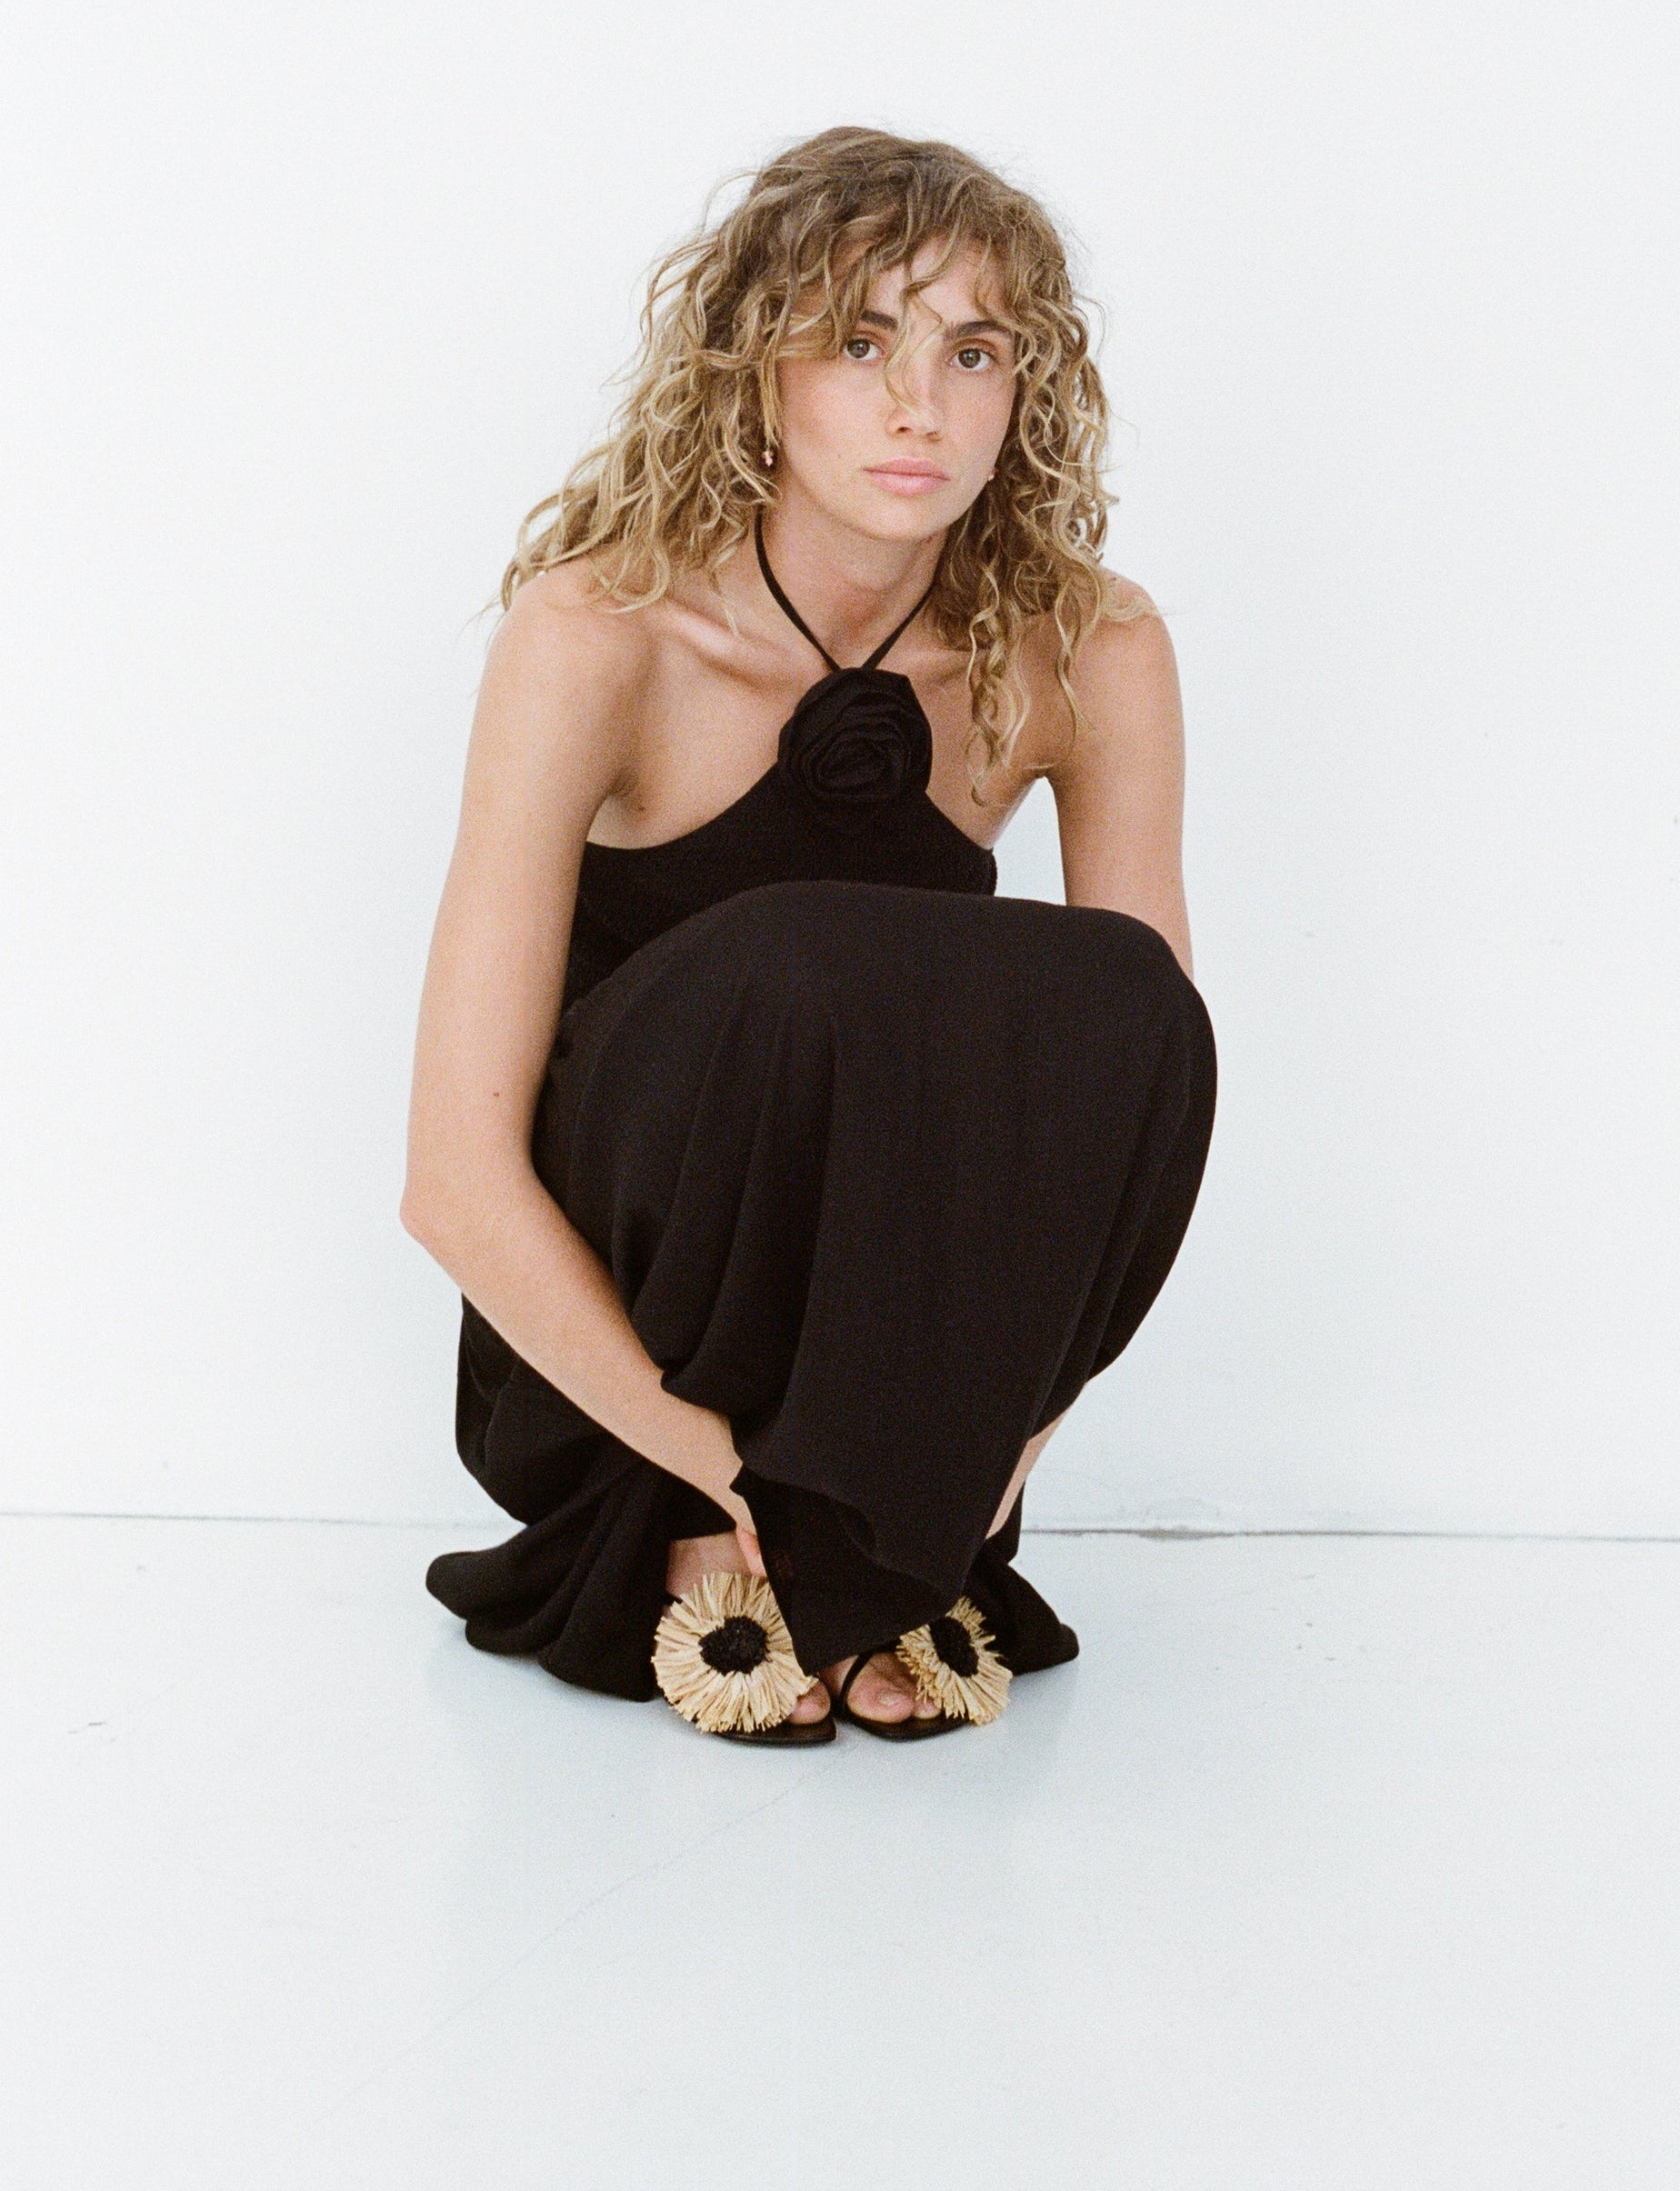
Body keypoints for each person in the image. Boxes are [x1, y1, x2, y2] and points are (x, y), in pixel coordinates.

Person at [401, 125, 1217, 1744]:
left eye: (971, 351)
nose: (920, 404)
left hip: (907, 1357)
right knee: (792, 960)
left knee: (1128, 996)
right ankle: (715, 1531)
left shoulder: (1088, 647)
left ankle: (867, 1532)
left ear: (1026, 389)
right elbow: (452, 1181)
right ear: (751, 373)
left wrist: (980, 1469)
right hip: (614, 1338)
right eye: (858, 342)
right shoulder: (600, 632)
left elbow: (1128, 1108)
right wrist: (745, 1482)